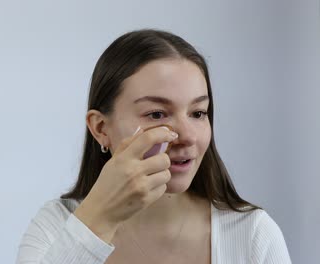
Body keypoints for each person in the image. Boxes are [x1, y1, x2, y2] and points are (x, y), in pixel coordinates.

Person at [15, 29, 291, 263]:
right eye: (157, 114)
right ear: (101, 128)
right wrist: (97, 219)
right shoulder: (54, 226)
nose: (187, 136)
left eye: (198, 113)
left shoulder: (253, 235)